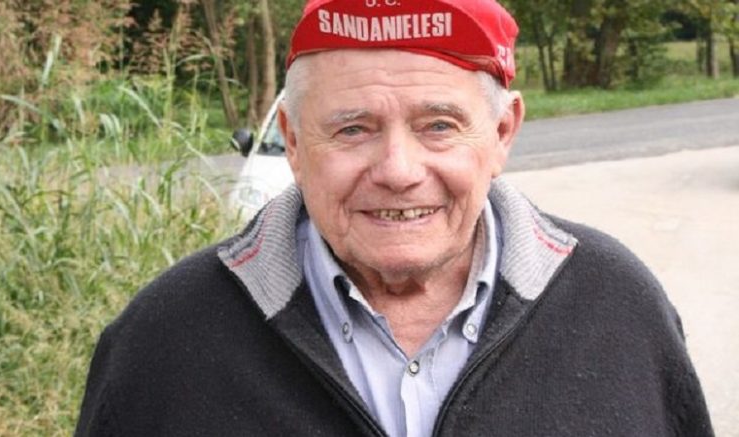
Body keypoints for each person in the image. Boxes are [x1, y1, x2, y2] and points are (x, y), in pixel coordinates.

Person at [75, 1, 714, 436]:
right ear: (293, 142)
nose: (398, 170)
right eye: (353, 129)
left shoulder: (617, 306)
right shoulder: (165, 338)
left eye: (438, 126)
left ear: (502, 133)